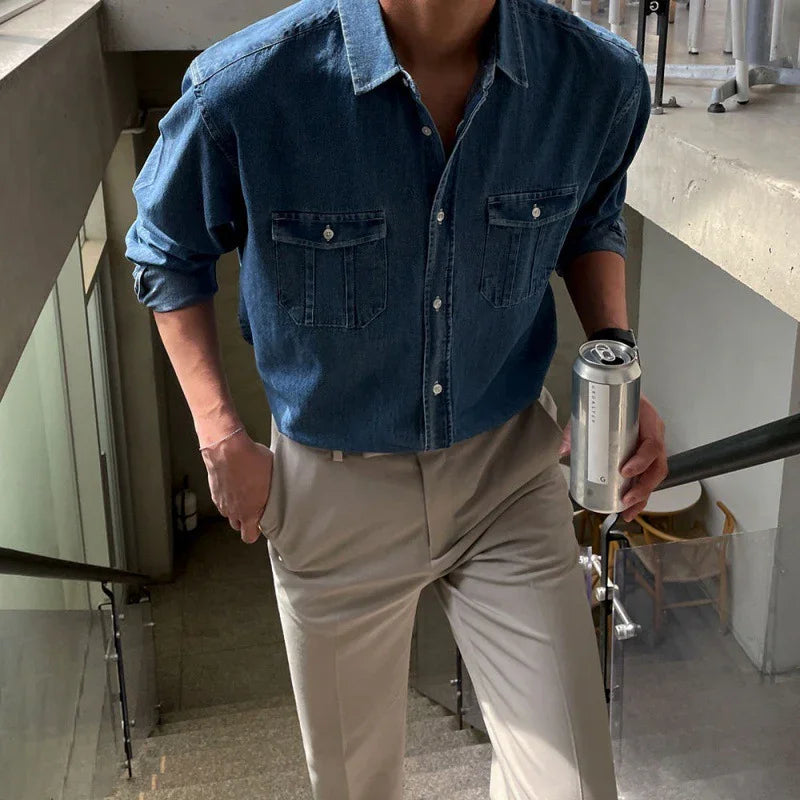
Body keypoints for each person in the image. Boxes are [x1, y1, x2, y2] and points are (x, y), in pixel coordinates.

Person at [125, 1, 668, 797]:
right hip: (333, 491)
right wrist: (219, 436)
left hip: (508, 475)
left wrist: (616, 364)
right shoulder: (248, 88)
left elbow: (592, 218)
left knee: (576, 786)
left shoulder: (594, 79)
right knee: (355, 786)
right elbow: (166, 251)